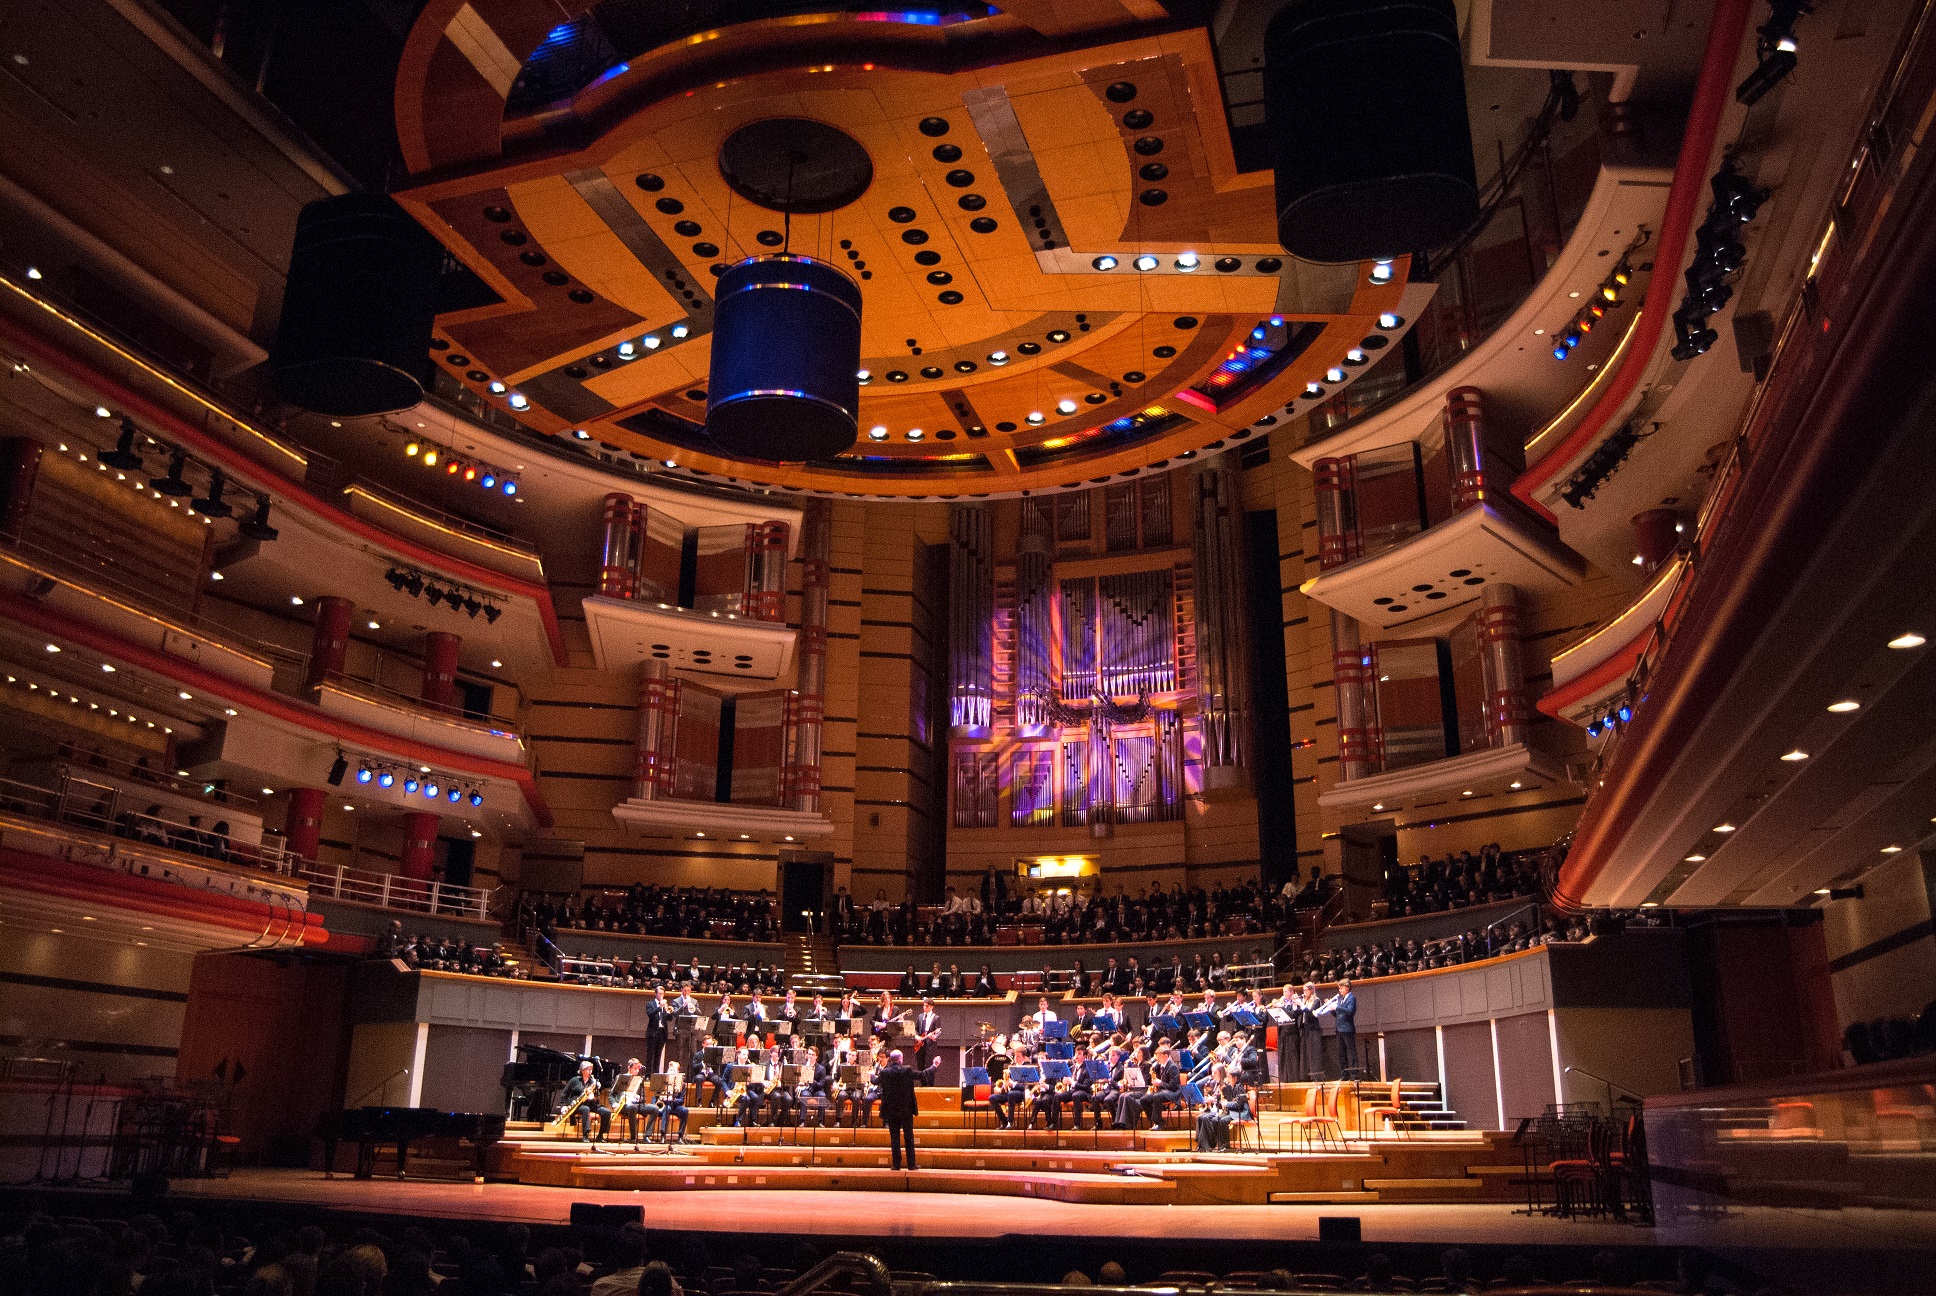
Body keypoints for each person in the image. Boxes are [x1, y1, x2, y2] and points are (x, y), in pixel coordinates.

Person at [877, 1048, 920, 1170]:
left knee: (894, 1137)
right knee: (909, 1136)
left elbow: (875, 1081)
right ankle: (911, 1165)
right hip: (906, 1110)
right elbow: (923, 1075)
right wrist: (934, 1065)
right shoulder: (907, 1070)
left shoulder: (885, 1072)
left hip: (891, 1110)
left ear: (891, 1059)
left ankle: (896, 1165)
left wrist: (870, 1075)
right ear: (900, 1059)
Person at [1318, 978, 1359, 1076]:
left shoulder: (1351, 998)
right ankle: (1344, 1074)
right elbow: (1337, 1014)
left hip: (1347, 1029)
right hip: (1339, 1029)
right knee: (1341, 1053)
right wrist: (1331, 1008)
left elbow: (1350, 1011)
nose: (1339, 990)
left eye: (1341, 988)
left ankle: (1354, 1074)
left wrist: (1336, 1007)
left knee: (1351, 1052)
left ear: (1347, 987)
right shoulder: (1340, 999)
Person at [563, 1060, 609, 1144]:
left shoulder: (592, 1081)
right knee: (585, 1109)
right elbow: (564, 1093)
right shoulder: (575, 1080)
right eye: (588, 1070)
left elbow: (597, 1098)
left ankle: (600, 1135)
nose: (590, 1072)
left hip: (591, 1104)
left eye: (591, 1070)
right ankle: (585, 1135)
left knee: (607, 1112)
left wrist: (594, 1096)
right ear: (582, 1070)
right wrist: (564, 1105)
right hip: (578, 1104)